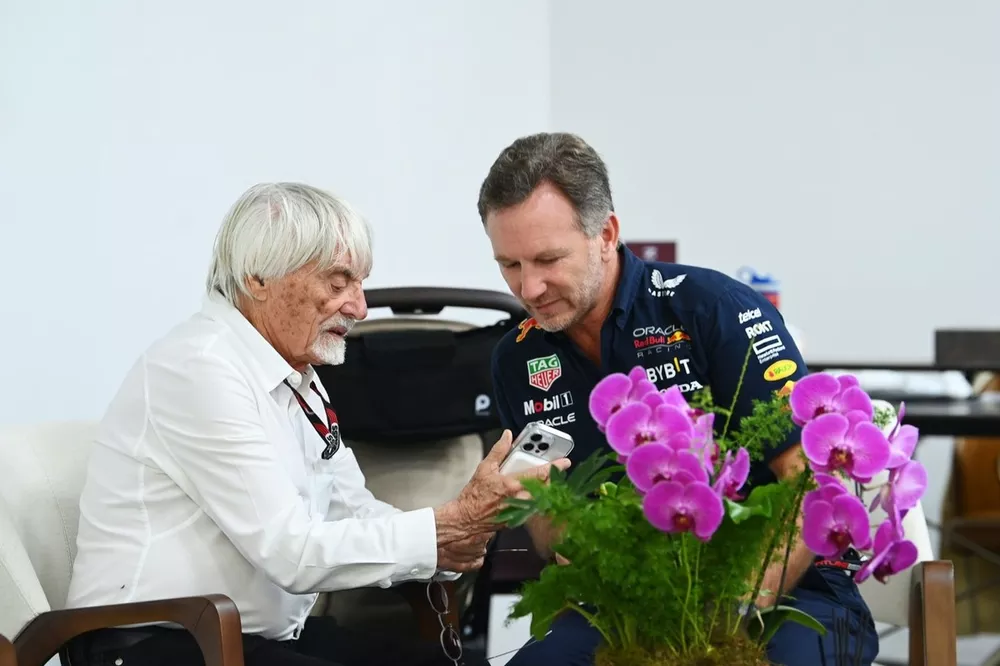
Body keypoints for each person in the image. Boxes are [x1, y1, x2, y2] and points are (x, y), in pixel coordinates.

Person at [64, 182, 570, 666]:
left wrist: (450, 542)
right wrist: (444, 526)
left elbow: (351, 509)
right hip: (154, 645)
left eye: (360, 284)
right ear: (259, 279)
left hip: (247, 639)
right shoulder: (199, 368)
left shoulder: (295, 374)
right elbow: (291, 551)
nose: (360, 306)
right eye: (337, 282)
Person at [477, 133, 879, 666]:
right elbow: (551, 532)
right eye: (510, 265)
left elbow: (809, 480)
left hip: (787, 591)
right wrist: (540, 513)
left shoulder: (713, 310)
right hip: (627, 604)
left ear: (607, 234)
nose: (529, 289)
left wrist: (732, 611)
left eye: (549, 259)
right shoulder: (517, 360)